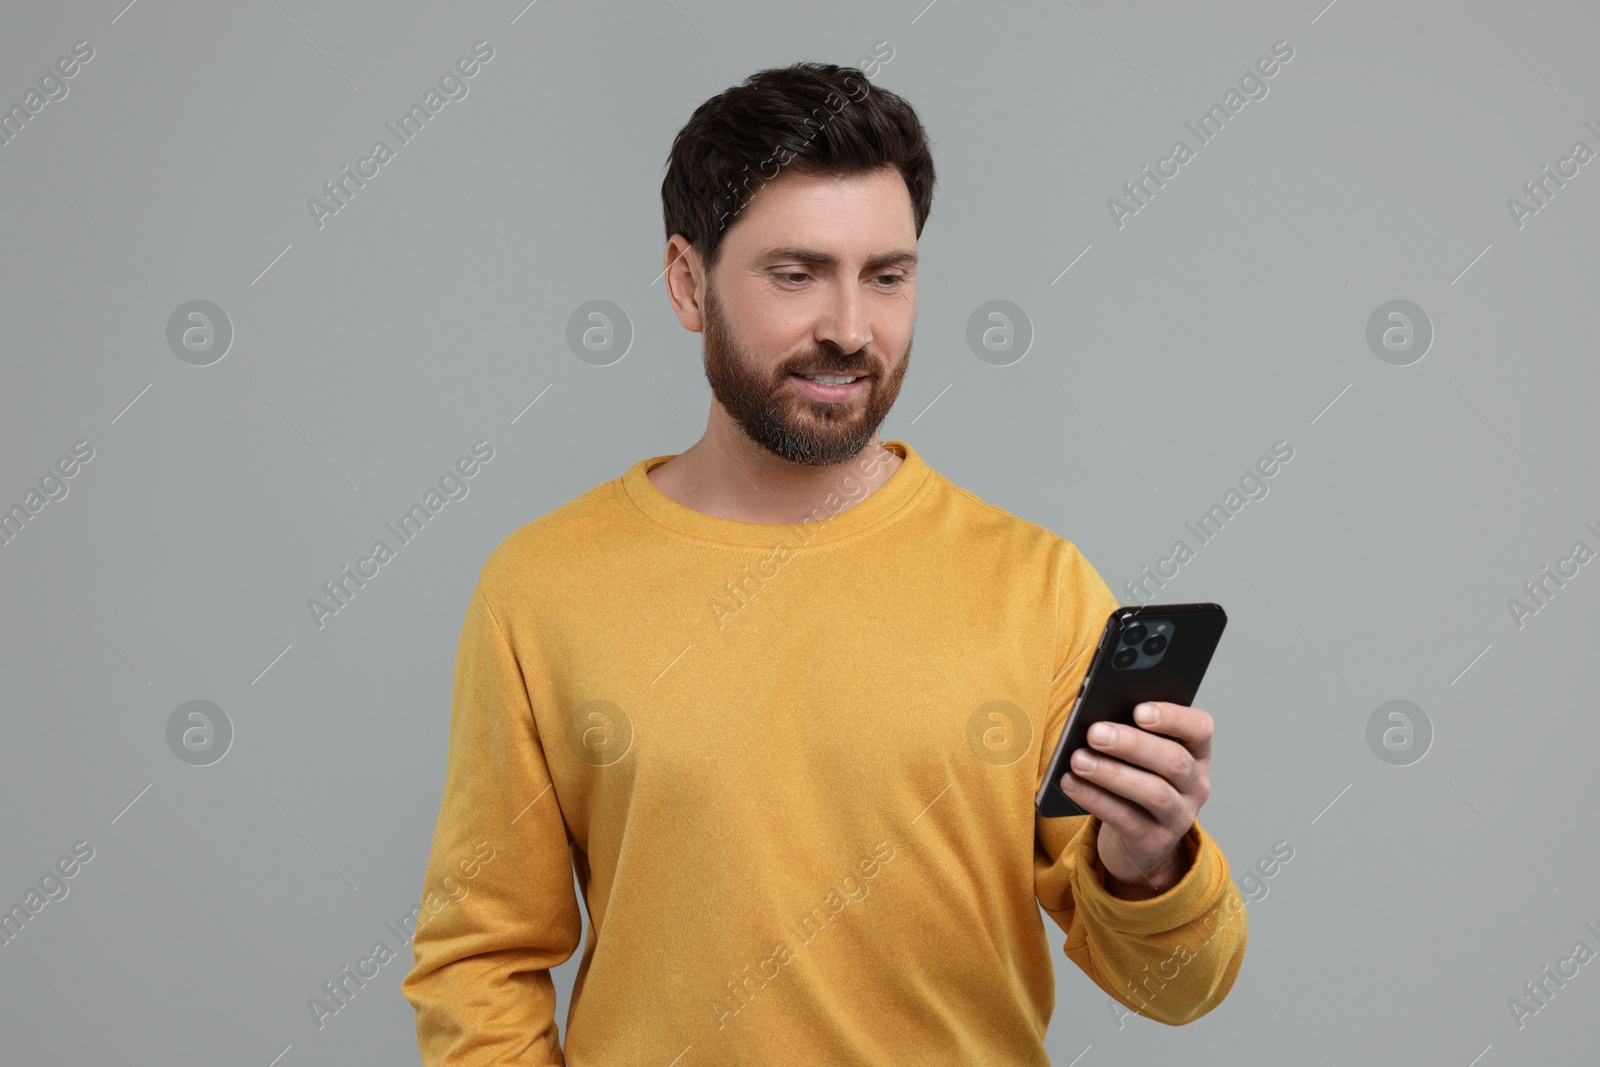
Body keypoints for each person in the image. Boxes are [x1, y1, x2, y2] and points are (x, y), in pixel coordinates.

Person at [402, 60, 1246, 1065]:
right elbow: (478, 956)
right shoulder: (541, 586)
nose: (850, 328)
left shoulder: (1039, 586)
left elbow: (1180, 988)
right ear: (686, 281)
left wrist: (1147, 864)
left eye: (885, 275)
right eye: (795, 273)